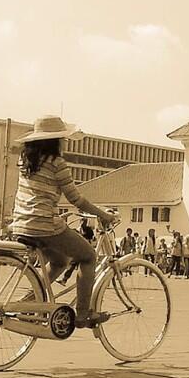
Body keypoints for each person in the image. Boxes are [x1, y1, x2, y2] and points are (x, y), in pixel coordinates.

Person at [11, 115, 118, 327]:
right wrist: (103, 214)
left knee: (60, 261)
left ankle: (29, 303)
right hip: (44, 224)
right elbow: (76, 199)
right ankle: (83, 314)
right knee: (88, 256)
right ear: (56, 141)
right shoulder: (57, 163)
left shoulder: (25, 162)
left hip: (21, 223)